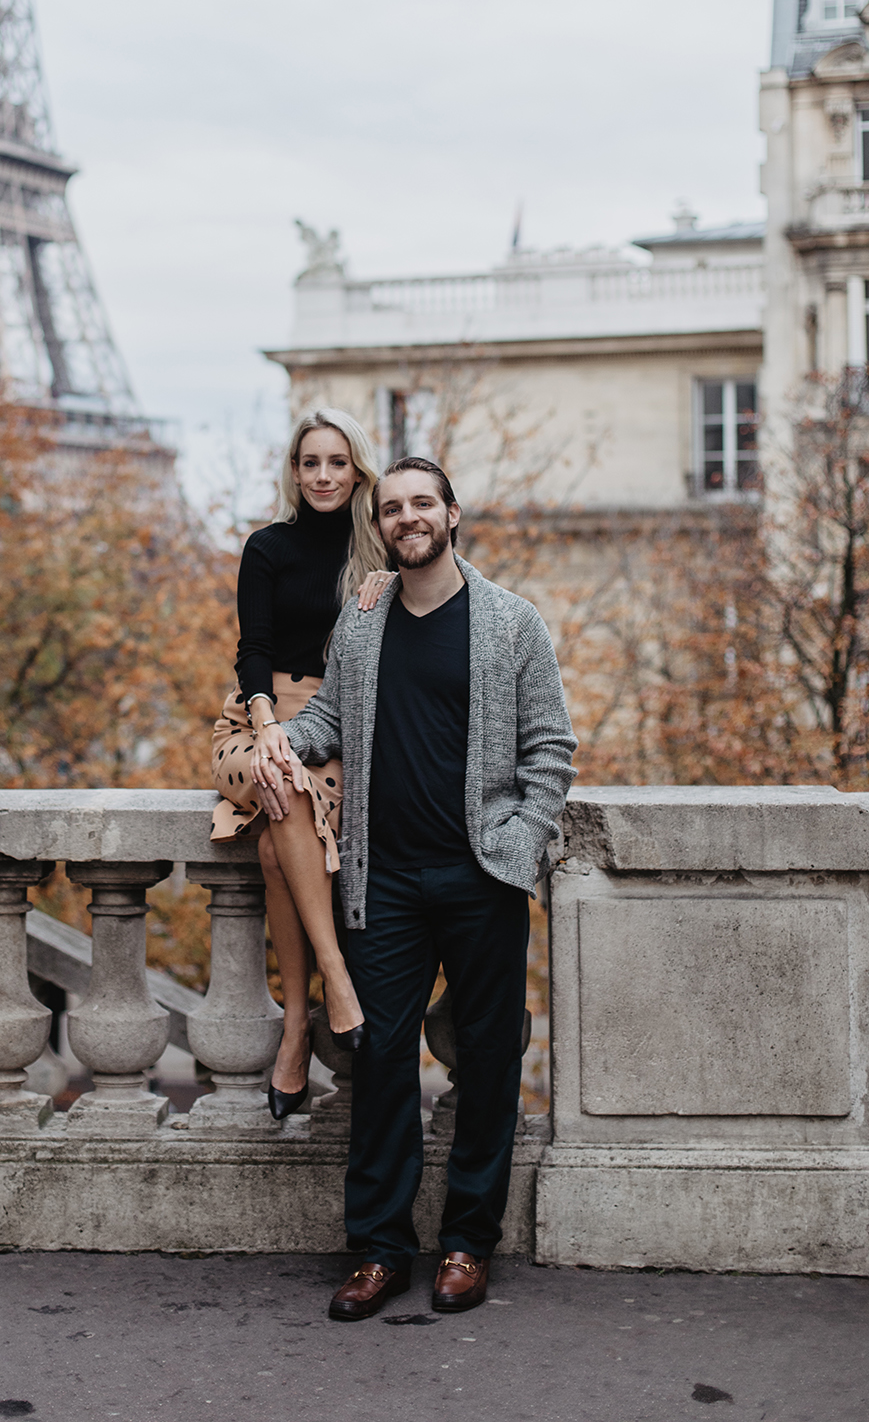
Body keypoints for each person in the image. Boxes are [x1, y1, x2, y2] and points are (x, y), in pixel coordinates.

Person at [252, 456, 576, 1321]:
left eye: (422, 503)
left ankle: (469, 1242)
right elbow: (330, 719)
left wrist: (519, 843)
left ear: (453, 514)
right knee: (379, 1059)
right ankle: (381, 1250)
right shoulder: (361, 624)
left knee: (486, 1060)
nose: (408, 517)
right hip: (382, 879)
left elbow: (551, 749)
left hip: (481, 877)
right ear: (383, 525)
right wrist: (280, 740)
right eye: (392, 508)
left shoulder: (511, 623)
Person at [210, 408, 392, 1118]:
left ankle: (293, 1028)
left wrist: (385, 590)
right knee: (279, 774)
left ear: (358, 471)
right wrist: (267, 726)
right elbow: (251, 649)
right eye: (310, 462)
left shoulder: (379, 555)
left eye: (337, 462)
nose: (323, 475)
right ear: (294, 472)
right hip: (254, 721)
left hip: (346, 723)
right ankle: (334, 983)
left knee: (274, 851)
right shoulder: (266, 548)